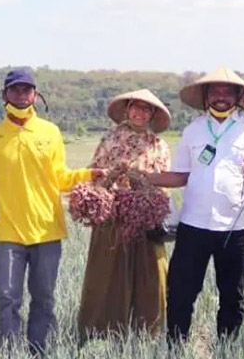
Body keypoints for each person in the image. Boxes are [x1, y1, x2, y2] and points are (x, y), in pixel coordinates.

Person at [0, 68, 106, 354]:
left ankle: (39, 350)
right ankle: (10, 350)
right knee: (7, 297)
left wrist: (92, 175)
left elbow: (60, 177)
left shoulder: (50, 132)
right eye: (15, 89)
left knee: (44, 298)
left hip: (47, 231)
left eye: (26, 89)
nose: (21, 94)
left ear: (35, 94)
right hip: (9, 233)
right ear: (5, 94)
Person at [146, 67, 244, 343]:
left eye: (228, 91)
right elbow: (181, 175)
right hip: (194, 226)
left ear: (238, 94)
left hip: (237, 228)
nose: (221, 96)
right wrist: (144, 177)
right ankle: (176, 347)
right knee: (180, 293)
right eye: (215, 91)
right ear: (206, 96)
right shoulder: (193, 131)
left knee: (232, 295)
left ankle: (226, 348)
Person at [78, 89, 171, 339]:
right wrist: (113, 179)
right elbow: (94, 175)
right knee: (107, 278)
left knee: (152, 278)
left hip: (146, 220)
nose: (140, 113)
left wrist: (143, 190)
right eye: (135, 107)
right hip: (113, 220)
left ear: (152, 114)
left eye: (146, 108)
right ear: (127, 110)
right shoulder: (110, 139)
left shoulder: (159, 146)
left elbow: (163, 182)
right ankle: (101, 335)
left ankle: (147, 336)